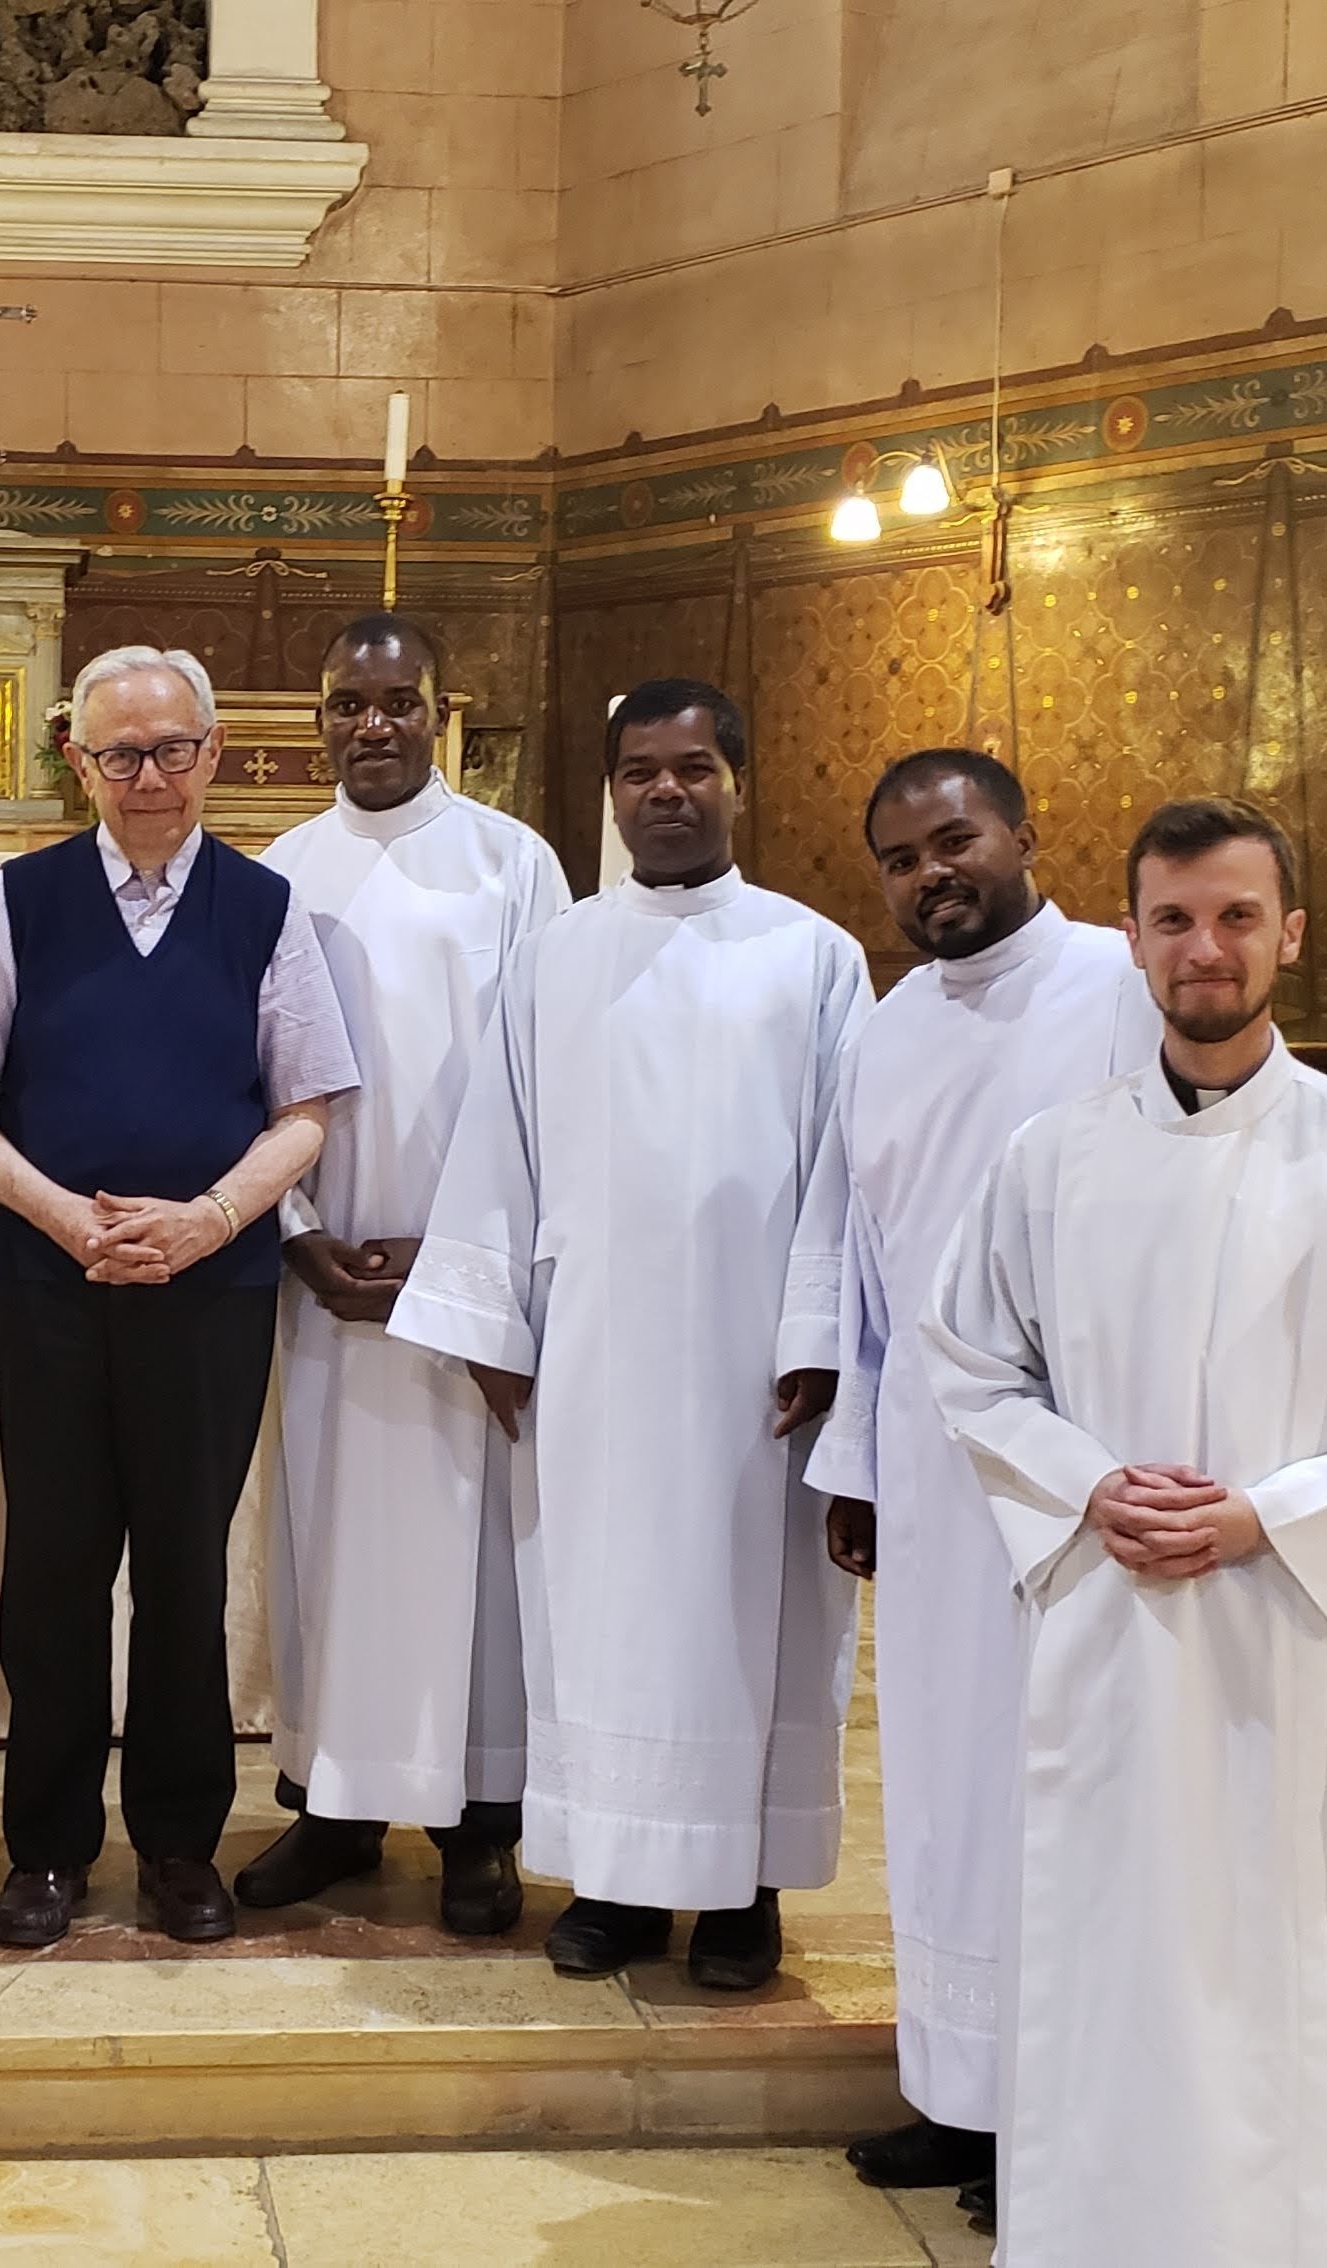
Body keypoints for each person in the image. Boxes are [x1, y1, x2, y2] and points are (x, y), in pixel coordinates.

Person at [817, 750, 1327, 2232]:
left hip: (1299, 1624)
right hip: (1110, 1608)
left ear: (1289, 935)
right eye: (1178, 922)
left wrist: (1274, 1516)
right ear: (1137, 939)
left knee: (1282, 1933)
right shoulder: (1050, 1158)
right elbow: (963, 1359)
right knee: (1105, 1922)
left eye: (1238, 919)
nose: (1207, 950)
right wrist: (1086, 1489)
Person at [389, 678, 864, 1994]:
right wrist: (492, 1327)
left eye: (694, 767)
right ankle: (609, 1882)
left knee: (743, 1623)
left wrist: (818, 1335)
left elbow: (845, 1167)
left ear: (739, 782)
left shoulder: (814, 957)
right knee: (594, 1618)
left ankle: (745, 1894)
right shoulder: (554, 957)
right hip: (592, 1360)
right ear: (611, 790)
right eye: (641, 770)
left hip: (752, 1371)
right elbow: (500, 1148)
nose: (667, 790)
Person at [0, 643, 358, 1951]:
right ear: (78, 761)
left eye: (171, 749)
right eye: (118, 752)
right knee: (57, 1571)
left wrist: (207, 1222)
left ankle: (182, 1846)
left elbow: (305, 1112)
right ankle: (50, 1851)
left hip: (212, 1286)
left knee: (184, 1572)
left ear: (212, 753)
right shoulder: (18, 904)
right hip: (46, 1285)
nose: (147, 776)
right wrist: (73, 1221)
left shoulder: (266, 909)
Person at [237, 612, 567, 1939]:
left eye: (399, 703)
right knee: (333, 1532)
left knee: (473, 1538)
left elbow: (542, 1073)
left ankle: (481, 1819)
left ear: (445, 715)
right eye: (347, 703)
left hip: (466, 1269)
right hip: (324, 1270)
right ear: (318, 717)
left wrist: (460, 1252)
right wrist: (298, 1229)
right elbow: (245, 1073)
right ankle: (335, 1803)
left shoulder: (514, 865)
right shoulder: (280, 870)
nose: (373, 724)